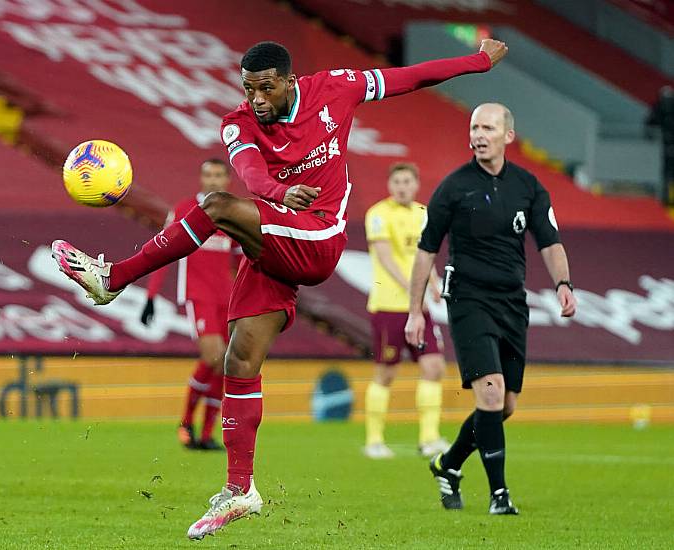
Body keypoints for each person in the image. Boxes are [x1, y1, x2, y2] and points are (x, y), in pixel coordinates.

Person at [51, 39, 508, 539]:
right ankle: (241, 488)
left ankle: (113, 279)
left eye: (266, 88)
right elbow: (248, 170)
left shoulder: (337, 89)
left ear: (290, 81)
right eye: (249, 89)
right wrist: (275, 191)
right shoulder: (238, 123)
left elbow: (410, 76)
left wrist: (478, 61)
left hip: (318, 236)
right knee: (239, 361)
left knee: (218, 205)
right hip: (274, 241)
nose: (257, 99)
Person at [405, 103, 577, 515]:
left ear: (507, 136)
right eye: (474, 127)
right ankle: (499, 496)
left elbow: (549, 242)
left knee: (505, 406)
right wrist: (415, 311)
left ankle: (447, 465)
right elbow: (426, 250)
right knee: (491, 392)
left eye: (488, 127)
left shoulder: (528, 187)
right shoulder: (453, 187)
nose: (479, 134)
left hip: (512, 303)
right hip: (467, 300)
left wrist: (564, 284)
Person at [140, 159, 240, 451]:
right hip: (199, 296)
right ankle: (185, 423)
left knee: (223, 364)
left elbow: (238, 260)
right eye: (208, 175)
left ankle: (208, 433)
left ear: (227, 180)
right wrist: (150, 297)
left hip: (227, 298)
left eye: (219, 175)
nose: (213, 180)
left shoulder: (232, 213)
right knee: (214, 356)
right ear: (201, 178)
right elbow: (162, 251)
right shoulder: (185, 210)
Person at [363, 162, 450, 459]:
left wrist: (435, 283)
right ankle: (374, 440)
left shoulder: (424, 214)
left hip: (419, 307)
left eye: (407, 181)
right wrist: (416, 285)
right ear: (390, 185)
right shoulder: (378, 214)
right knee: (386, 372)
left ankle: (429, 438)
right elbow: (386, 258)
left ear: (416, 185)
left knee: (434, 366)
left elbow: (426, 255)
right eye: (397, 181)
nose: (402, 186)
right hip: (389, 305)